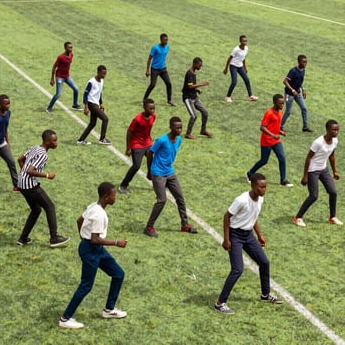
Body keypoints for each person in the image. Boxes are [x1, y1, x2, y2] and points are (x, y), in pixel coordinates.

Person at [59, 182, 127, 329]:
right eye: (114, 195)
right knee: (86, 286)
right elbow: (95, 239)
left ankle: (109, 310)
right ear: (106, 196)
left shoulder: (93, 206)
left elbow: (79, 220)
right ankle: (65, 319)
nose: (115, 198)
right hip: (91, 250)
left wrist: (83, 237)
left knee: (118, 274)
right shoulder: (99, 215)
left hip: (94, 248)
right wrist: (116, 242)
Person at [214, 173, 283, 315]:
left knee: (264, 262)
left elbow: (253, 216)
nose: (264, 190)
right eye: (261, 187)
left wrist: (260, 235)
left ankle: (265, 295)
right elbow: (227, 216)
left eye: (265, 187)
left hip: (248, 235)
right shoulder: (241, 200)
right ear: (252, 185)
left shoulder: (260, 199)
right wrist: (226, 239)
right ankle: (220, 303)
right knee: (237, 269)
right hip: (235, 235)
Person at [143, 116, 198, 237]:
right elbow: (150, 152)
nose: (179, 130)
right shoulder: (161, 140)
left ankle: (185, 225)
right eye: (177, 127)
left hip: (169, 172)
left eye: (181, 127)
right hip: (158, 173)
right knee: (162, 200)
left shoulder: (179, 140)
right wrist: (149, 171)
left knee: (180, 198)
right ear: (170, 127)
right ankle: (149, 227)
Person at [17, 129, 70, 247]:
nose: (56, 143)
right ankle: (54, 238)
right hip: (30, 186)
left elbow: (20, 160)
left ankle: (23, 238)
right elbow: (30, 170)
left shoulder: (35, 147)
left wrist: (22, 177)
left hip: (21, 184)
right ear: (47, 142)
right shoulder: (43, 154)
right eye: (54, 141)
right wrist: (47, 175)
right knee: (50, 206)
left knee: (36, 210)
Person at [293, 120, 342, 227]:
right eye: (334, 130)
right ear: (328, 130)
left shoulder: (335, 141)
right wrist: (305, 176)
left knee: (333, 192)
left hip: (324, 169)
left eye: (337, 130)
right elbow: (308, 157)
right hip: (312, 170)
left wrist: (334, 171)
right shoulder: (318, 142)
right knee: (314, 196)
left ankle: (332, 217)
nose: (336, 132)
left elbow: (331, 155)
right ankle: (298, 217)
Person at [246, 94, 293, 187]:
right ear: (274, 102)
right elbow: (262, 127)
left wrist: (280, 132)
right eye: (280, 103)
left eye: (283, 103)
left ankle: (283, 180)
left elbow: (274, 126)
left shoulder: (280, 112)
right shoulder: (269, 113)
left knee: (282, 158)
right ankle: (249, 173)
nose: (282, 105)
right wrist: (273, 135)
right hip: (266, 141)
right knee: (264, 160)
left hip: (276, 141)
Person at [119, 98, 156, 194]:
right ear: (144, 107)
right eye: (150, 109)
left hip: (148, 143)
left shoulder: (153, 117)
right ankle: (123, 185)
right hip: (137, 144)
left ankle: (155, 182)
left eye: (153, 108)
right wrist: (128, 148)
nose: (152, 111)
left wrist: (149, 140)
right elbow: (129, 131)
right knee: (136, 166)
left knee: (155, 162)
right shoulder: (137, 119)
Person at [76, 65, 111, 145]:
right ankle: (102, 139)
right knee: (105, 119)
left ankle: (81, 140)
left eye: (105, 74)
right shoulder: (91, 82)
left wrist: (101, 103)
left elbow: (99, 93)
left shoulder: (101, 81)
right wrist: (86, 106)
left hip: (96, 104)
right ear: (98, 72)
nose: (104, 76)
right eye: (102, 74)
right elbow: (85, 94)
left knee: (92, 123)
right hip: (91, 104)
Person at [281, 54, 313, 133]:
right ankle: (279, 127)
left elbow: (300, 80)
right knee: (288, 111)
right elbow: (285, 81)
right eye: (303, 62)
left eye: (306, 62)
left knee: (304, 109)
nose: (305, 64)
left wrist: (303, 89)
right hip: (289, 94)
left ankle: (305, 127)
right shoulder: (293, 71)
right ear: (299, 62)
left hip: (298, 93)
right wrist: (292, 90)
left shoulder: (303, 70)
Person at [46, 41, 81, 113]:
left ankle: (75, 105)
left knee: (76, 89)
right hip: (59, 77)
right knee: (58, 94)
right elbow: (54, 67)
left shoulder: (71, 55)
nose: (71, 49)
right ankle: (49, 107)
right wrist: (52, 79)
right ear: (65, 48)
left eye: (71, 47)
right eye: (69, 47)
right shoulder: (61, 57)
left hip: (67, 76)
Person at [182, 57, 211, 140]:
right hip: (188, 98)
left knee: (205, 112)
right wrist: (202, 84)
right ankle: (188, 134)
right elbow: (190, 86)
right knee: (194, 116)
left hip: (194, 97)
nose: (200, 67)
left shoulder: (193, 73)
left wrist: (197, 90)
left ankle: (203, 130)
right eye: (199, 65)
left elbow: (191, 86)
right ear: (195, 64)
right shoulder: (189, 73)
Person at [143, 33, 176, 106]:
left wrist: (164, 67)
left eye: (167, 40)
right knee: (152, 85)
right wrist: (147, 70)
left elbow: (163, 57)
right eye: (164, 40)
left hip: (163, 69)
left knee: (169, 83)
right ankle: (145, 99)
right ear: (161, 40)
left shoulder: (167, 47)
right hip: (154, 69)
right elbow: (149, 59)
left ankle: (169, 100)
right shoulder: (155, 48)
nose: (166, 42)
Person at [223, 35, 258, 103]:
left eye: (246, 41)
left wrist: (245, 67)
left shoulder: (246, 48)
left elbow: (243, 58)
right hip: (233, 66)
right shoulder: (236, 49)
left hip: (240, 66)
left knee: (247, 80)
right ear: (240, 41)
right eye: (243, 41)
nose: (245, 42)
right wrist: (226, 68)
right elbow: (229, 58)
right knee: (234, 82)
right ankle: (228, 96)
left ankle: (250, 96)